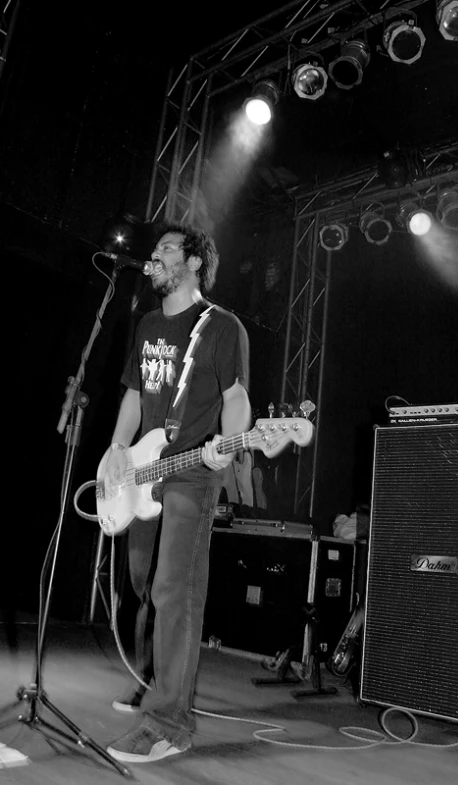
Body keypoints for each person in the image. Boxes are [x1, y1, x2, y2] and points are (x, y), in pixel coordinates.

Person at [102, 222, 251, 763]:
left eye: (167, 248)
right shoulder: (144, 324)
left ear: (193, 261)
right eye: (156, 249)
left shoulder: (221, 326)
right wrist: (119, 448)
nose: (155, 256)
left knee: (175, 589)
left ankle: (168, 724)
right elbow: (135, 396)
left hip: (193, 471)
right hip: (142, 472)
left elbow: (235, 398)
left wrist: (229, 447)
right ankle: (157, 682)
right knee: (144, 581)